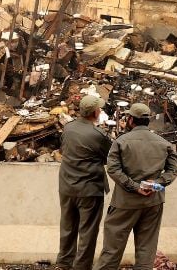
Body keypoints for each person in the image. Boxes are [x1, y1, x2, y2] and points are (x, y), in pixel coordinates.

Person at [93, 103, 177, 270]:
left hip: (125, 204)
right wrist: (158, 183)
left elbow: (113, 169)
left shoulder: (121, 142)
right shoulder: (163, 143)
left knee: (112, 250)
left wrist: (134, 186)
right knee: (147, 250)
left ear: (131, 119)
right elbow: (173, 169)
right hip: (153, 202)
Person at [57, 94, 112, 270]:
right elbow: (109, 157)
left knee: (67, 228)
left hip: (66, 187)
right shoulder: (98, 135)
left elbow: (64, 149)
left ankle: (63, 263)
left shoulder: (68, 128)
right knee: (87, 231)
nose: (100, 110)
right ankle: (81, 266)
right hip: (89, 189)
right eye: (99, 108)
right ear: (95, 112)